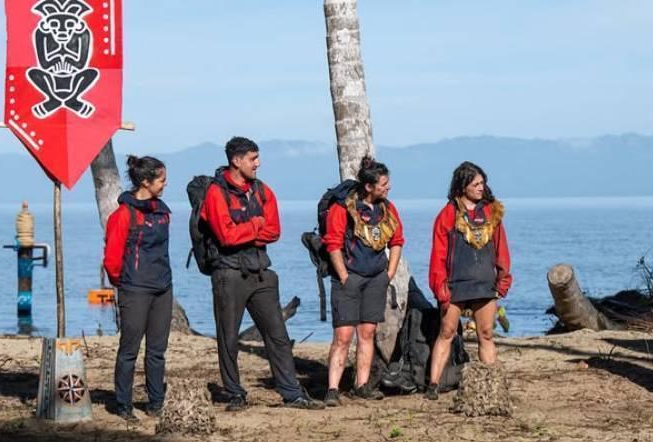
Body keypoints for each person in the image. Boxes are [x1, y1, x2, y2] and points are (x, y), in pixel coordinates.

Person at [200, 136, 324, 411]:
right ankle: (234, 393)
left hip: (261, 273)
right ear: (236, 160)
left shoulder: (263, 191)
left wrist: (246, 228)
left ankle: (292, 393)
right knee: (228, 337)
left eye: (257, 158)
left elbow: (274, 231)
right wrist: (256, 225)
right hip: (228, 273)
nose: (258, 163)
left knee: (278, 335)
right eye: (253, 159)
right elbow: (225, 237)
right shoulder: (215, 193)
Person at [425, 162, 512, 400]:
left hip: (485, 284)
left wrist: (503, 279)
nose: (481, 188)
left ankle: (492, 384)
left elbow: (501, 249)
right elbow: (438, 254)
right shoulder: (447, 214)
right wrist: (440, 287)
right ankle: (433, 384)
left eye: (483, 183)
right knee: (447, 331)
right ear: (462, 186)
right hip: (455, 284)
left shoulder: (492, 212)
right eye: (476, 184)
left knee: (486, 334)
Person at [322, 156, 405, 406]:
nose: (387, 187)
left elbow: (397, 240)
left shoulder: (388, 209)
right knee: (343, 335)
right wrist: (345, 276)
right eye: (383, 184)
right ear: (369, 186)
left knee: (367, 333)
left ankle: (362, 385)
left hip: (376, 278)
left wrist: (389, 273)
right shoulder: (343, 208)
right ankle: (333, 389)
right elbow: (333, 244)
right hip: (349, 278)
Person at [103, 155, 173, 422]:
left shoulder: (163, 211)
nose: (165, 184)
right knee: (129, 350)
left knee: (157, 350)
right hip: (135, 289)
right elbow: (112, 258)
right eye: (162, 180)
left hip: (163, 288)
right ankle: (123, 404)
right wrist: (126, 283)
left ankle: (156, 403)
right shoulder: (123, 215)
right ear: (145, 181)